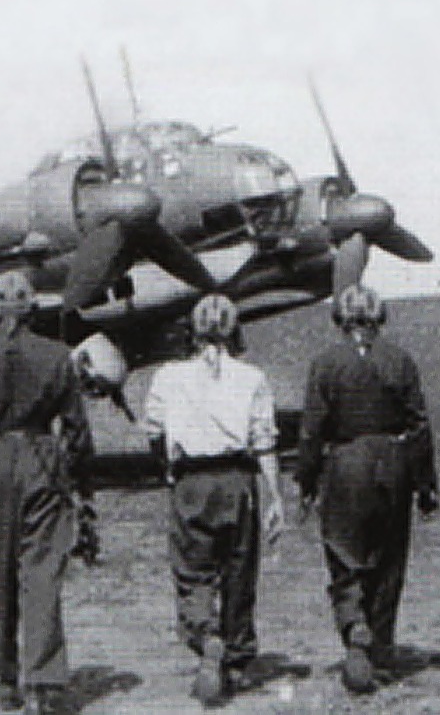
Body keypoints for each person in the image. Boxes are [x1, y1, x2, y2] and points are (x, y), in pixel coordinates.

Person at [0, 270, 94, 714]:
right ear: (33, 307)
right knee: (42, 570)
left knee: (0, 568)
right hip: (44, 461)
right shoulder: (58, 356)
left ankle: (6, 676)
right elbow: (78, 430)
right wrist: (84, 488)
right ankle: (45, 682)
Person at [141, 294, 285, 706]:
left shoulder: (168, 376)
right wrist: (274, 496)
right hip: (238, 481)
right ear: (235, 332)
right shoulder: (252, 376)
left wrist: (167, 467)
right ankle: (237, 656)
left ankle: (206, 634)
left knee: (192, 568)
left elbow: (154, 429)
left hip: (192, 480)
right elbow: (265, 443)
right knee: (240, 567)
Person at [295, 284, 439, 694]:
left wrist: (306, 481)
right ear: (380, 318)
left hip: (345, 464)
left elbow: (311, 429)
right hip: (392, 463)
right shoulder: (401, 360)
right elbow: (419, 426)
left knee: (344, 552)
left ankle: (354, 623)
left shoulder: (325, 363)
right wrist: (425, 485)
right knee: (389, 557)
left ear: (341, 320)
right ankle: (380, 644)